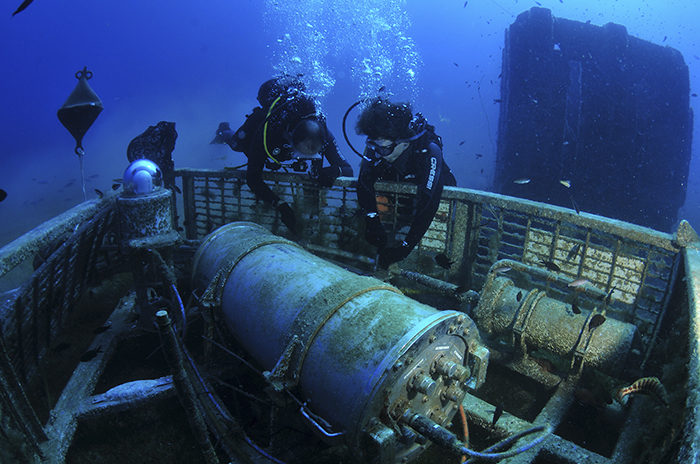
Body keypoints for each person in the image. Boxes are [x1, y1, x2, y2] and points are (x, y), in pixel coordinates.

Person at [212, 76, 353, 232]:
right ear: (289, 138)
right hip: (262, 135)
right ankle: (224, 131)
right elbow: (252, 178)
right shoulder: (270, 131)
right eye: (301, 151)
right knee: (236, 144)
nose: (305, 157)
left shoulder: (322, 132)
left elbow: (348, 169)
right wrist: (280, 205)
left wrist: (336, 170)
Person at [355, 97, 456, 269]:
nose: (378, 154)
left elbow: (429, 202)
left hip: (433, 206)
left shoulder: (429, 150)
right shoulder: (378, 145)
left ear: (405, 142)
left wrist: (404, 249)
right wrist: (372, 220)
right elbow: (364, 181)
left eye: (384, 148)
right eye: (373, 146)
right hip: (399, 205)